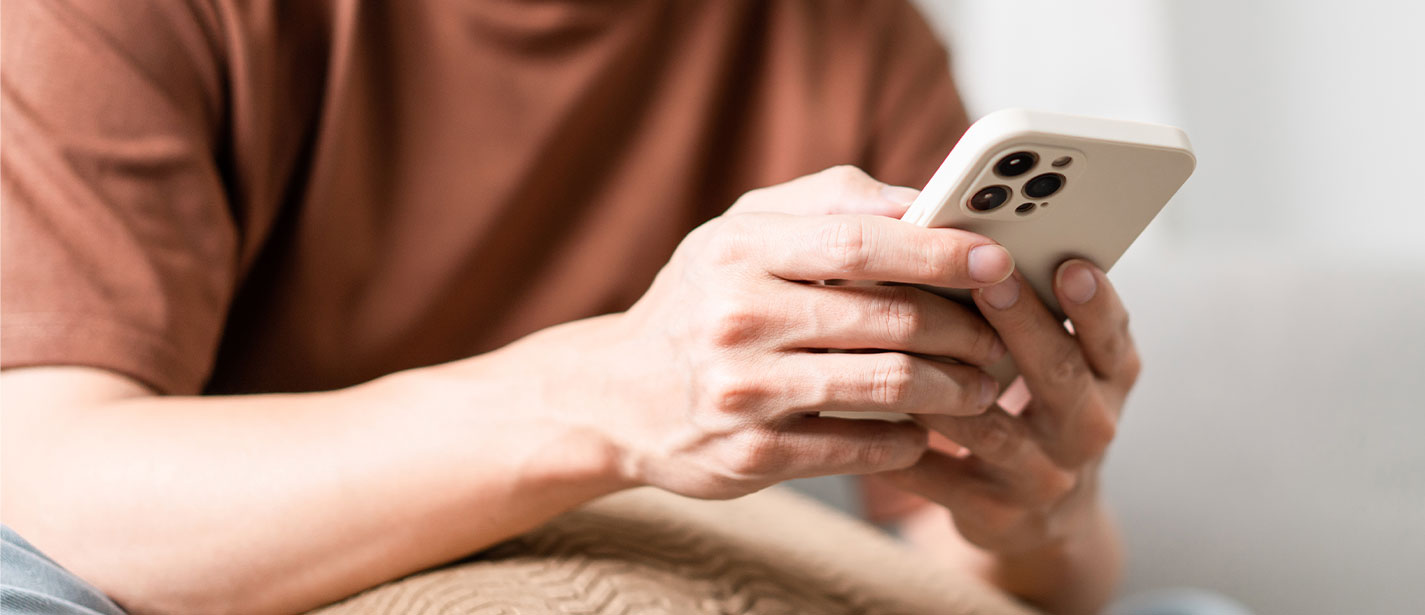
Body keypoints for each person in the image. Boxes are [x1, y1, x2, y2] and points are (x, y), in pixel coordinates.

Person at [0, 2, 1137, 613]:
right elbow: (47, 482)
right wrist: (614, 397)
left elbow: (949, 558)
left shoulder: (850, 34)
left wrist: (1040, 520)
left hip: (714, 563)